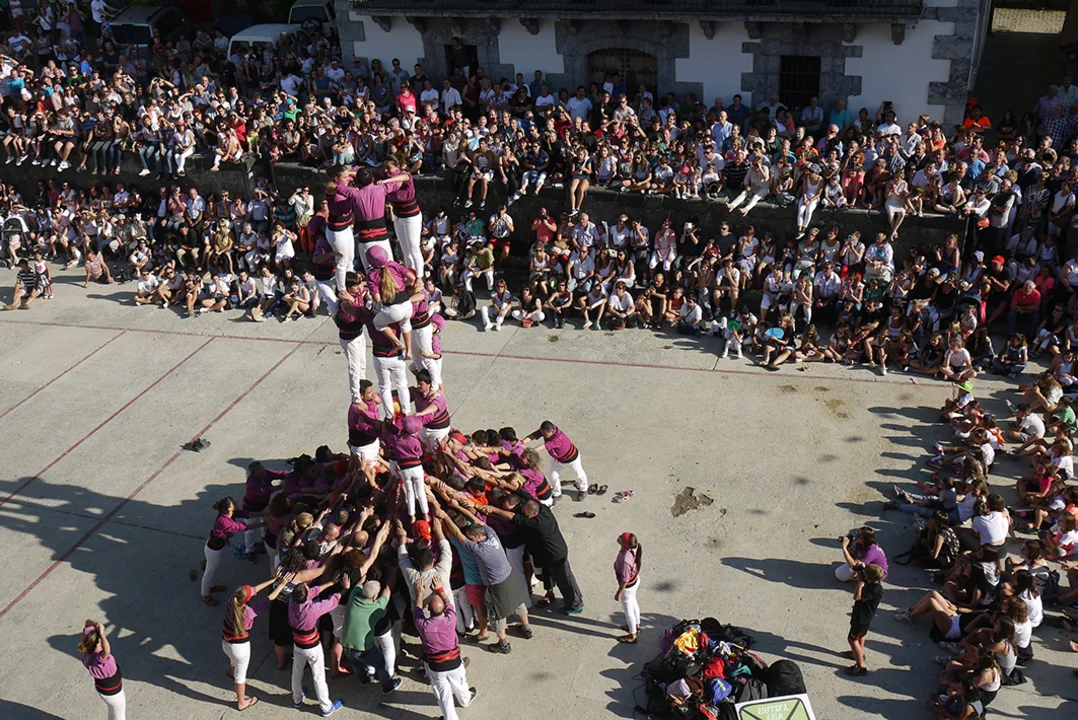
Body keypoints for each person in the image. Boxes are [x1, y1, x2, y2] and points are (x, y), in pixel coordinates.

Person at [222, 578, 290, 711]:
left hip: (225, 642)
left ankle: (232, 671)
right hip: (240, 647)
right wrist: (281, 584)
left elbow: (254, 589)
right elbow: (268, 600)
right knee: (240, 677)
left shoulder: (232, 600)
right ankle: (241, 702)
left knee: (232, 659)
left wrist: (274, 580)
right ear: (247, 599)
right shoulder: (249, 612)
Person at [413, 579, 476, 720]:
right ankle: (465, 700)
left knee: (443, 695)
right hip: (454, 662)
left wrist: (419, 593)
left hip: (436, 667)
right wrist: (440, 589)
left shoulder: (423, 626)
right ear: (443, 610)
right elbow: (449, 603)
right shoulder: (451, 619)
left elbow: (417, 610)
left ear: (428, 610)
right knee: (461, 683)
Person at [289, 577, 347, 716]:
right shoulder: (313, 609)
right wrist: (344, 589)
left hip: (298, 643)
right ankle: (326, 707)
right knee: (318, 675)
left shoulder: (292, 602)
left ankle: (297, 698)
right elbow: (332, 601)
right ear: (306, 595)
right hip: (312, 646)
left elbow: (313, 592)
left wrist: (331, 582)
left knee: (297, 671)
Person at [202, 498, 266, 606]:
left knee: (212, 570)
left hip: (215, 547)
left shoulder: (229, 514)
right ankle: (205, 595)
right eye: (234, 503)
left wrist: (267, 513)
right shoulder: (224, 522)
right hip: (213, 550)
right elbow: (244, 526)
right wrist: (265, 523)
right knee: (209, 572)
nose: (236, 503)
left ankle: (210, 587)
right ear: (229, 508)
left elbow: (247, 514)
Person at [526, 421, 589, 501]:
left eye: (545, 434)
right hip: (558, 460)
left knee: (579, 474)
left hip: (572, 459)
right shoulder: (546, 430)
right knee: (553, 475)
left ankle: (584, 489)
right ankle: (557, 493)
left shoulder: (558, 438)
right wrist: (522, 442)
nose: (543, 435)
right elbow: (534, 435)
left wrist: (527, 453)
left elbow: (543, 447)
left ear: (551, 431)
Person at [79, 620, 125, 720]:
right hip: (112, 691)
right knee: (119, 716)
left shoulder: (86, 651)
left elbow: (87, 621)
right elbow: (107, 650)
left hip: (102, 688)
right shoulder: (99, 659)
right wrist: (102, 633)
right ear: (97, 644)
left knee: (113, 712)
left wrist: (96, 625)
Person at [844, 563, 883, 677]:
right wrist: (860, 572)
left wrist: (860, 583)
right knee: (861, 636)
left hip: (860, 619)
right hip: (866, 617)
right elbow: (866, 578)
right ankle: (858, 653)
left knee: (852, 639)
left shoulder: (872, 590)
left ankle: (861, 666)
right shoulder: (877, 585)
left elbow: (857, 597)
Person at [614, 532, 642, 644]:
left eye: (621, 537)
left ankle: (632, 635)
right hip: (635, 581)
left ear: (625, 544)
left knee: (628, 612)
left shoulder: (625, 560)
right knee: (633, 602)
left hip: (628, 587)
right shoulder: (633, 547)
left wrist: (618, 593)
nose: (619, 536)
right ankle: (637, 625)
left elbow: (625, 580)